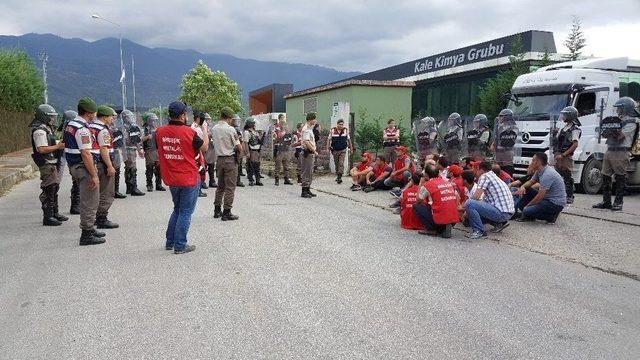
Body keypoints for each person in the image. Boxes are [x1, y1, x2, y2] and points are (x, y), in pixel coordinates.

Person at [156, 101, 205, 254]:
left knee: (177, 209)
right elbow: (204, 147)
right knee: (185, 212)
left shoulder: (159, 132)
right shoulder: (190, 133)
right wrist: (203, 128)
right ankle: (180, 245)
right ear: (183, 115)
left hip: (172, 178)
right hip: (189, 177)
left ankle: (170, 242)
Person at [63, 97, 105, 246]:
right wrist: (94, 175)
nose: (95, 115)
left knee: (89, 199)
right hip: (83, 167)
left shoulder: (70, 124)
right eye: (94, 112)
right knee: (90, 201)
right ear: (89, 113)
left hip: (74, 165)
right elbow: (86, 153)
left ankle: (91, 228)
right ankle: (86, 234)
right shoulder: (82, 129)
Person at [593, 97, 639, 211]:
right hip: (610, 149)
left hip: (621, 151)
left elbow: (620, 136)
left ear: (626, 108)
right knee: (605, 175)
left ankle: (618, 202)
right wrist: (604, 128)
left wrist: (611, 129)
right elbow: (604, 135)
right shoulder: (617, 119)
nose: (618, 109)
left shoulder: (631, 121)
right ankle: (606, 201)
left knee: (620, 177)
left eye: (620, 107)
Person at [30, 104, 67, 226]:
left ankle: (55, 213)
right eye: (50, 116)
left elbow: (50, 142)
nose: (53, 119)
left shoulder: (47, 129)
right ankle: (48, 216)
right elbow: (41, 149)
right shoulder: (39, 131)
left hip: (52, 162)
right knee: (49, 188)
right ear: (44, 116)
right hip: (46, 163)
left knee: (54, 187)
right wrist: (58, 146)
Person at [464, 161, 515, 239]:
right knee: (475, 207)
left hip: (501, 213)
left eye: (474, 169)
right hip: (508, 213)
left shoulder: (484, 176)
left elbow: (476, 197)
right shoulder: (492, 176)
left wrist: (465, 209)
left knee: (470, 203)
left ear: (479, 169)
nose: (472, 171)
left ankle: (478, 231)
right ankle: (498, 224)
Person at [88, 105, 120, 229]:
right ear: (105, 117)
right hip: (102, 163)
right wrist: (110, 166)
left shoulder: (90, 127)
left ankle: (94, 217)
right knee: (107, 192)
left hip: (94, 162)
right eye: (111, 117)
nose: (112, 119)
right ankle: (101, 218)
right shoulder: (103, 130)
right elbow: (104, 149)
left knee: (95, 192)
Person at [514, 152, 566, 223]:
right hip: (546, 198)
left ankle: (550, 217)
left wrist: (527, 206)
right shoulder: (539, 171)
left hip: (555, 203)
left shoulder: (547, 174)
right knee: (527, 190)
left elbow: (540, 196)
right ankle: (525, 213)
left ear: (538, 162)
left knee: (526, 210)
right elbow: (531, 182)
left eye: (533, 160)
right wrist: (522, 187)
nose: (531, 162)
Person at [412, 164, 460, 238]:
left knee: (416, 206)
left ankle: (432, 229)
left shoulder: (428, 185)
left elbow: (418, 200)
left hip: (440, 219)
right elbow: (457, 197)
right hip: (454, 219)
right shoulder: (447, 182)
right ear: (438, 173)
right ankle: (446, 225)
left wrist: (421, 183)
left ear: (426, 175)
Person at [212, 107, 243, 220]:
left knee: (220, 186)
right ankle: (227, 212)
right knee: (230, 187)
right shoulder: (231, 129)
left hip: (219, 159)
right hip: (230, 159)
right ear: (229, 118)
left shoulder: (214, 128)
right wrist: (241, 152)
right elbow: (238, 146)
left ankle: (217, 210)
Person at [550, 106, 581, 204]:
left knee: (567, 175)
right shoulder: (564, 128)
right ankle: (560, 194)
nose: (563, 117)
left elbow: (575, 144)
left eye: (565, 115)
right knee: (558, 175)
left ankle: (569, 195)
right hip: (558, 154)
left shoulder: (574, 129)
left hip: (565, 156)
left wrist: (563, 155)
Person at [59, 110, 81, 212]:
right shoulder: (71, 129)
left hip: (69, 157)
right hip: (72, 158)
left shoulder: (65, 129)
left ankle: (76, 205)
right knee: (76, 182)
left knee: (76, 181)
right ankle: (75, 205)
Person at [121, 109, 145, 196]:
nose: (131, 118)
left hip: (128, 149)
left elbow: (136, 139)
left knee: (128, 168)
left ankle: (129, 187)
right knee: (132, 168)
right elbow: (135, 140)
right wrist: (140, 149)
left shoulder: (125, 127)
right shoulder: (128, 127)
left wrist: (139, 149)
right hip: (129, 149)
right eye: (129, 117)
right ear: (125, 118)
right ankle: (133, 188)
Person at [142, 112, 165, 192]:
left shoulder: (157, 129)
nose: (153, 122)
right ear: (148, 121)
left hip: (157, 150)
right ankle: (149, 185)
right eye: (152, 120)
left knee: (159, 168)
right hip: (149, 150)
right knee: (150, 167)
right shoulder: (144, 129)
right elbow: (140, 139)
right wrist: (147, 137)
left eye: (155, 120)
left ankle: (158, 184)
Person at [491, 109, 519, 176]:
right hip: (499, 156)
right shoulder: (499, 128)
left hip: (507, 157)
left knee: (507, 175)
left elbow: (509, 142)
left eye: (502, 116)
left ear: (507, 117)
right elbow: (496, 141)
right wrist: (493, 145)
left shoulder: (514, 128)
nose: (500, 118)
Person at [327, 119, 354, 184]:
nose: (341, 125)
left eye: (342, 124)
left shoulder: (345, 130)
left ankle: (339, 177)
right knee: (337, 164)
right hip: (335, 150)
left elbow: (349, 140)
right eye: (340, 124)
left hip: (343, 149)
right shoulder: (333, 130)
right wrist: (327, 148)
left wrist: (351, 148)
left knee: (341, 163)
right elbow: (328, 140)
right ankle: (338, 175)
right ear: (337, 124)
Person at [191, 111, 209, 197]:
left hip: (196, 152)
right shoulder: (196, 128)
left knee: (200, 170)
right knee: (200, 170)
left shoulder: (194, 126)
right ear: (198, 119)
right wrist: (204, 129)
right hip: (198, 152)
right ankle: (198, 190)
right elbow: (204, 144)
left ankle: (198, 189)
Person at [273, 113, 294, 186]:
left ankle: (286, 179)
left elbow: (289, 137)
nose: (283, 119)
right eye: (281, 118)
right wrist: (280, 135)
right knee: (278, 165)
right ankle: (277, 179)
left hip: (286, 148)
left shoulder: (287, 128)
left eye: (284, 118)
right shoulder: (276, 128)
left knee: (286, 165)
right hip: (280, 149)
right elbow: (275, 139)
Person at [300, 112, 318, 198]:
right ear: (310, 119)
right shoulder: (306, 128)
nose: (315, 120)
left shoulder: (309, 128)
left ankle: (308, 189)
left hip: (309, 153)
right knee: (306, 172)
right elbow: (306, 141)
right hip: (307, 153)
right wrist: (314, 151)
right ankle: (304, 191)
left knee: (310, 172)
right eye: (314, 119)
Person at [243, 117, 264, 186]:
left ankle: (258, 180)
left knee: (257, 165)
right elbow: (246, 143)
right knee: (251, 165)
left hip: (257, 150)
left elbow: (259, 141)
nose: (255, 124)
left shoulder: (255, 132)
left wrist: (261, 134)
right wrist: (247, 152)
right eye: (254, 123)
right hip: (251, 150)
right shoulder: (247, 132)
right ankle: (251, 180)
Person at [110, 115, 127, 199]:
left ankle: (116, 190)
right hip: (108, 153)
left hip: (116, 151)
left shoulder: (117, 128)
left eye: (114, 118)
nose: (113, 120)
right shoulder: (104, 128)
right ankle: (108, 192)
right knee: (108, 173)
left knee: (117, 170)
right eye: (112, 117)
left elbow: (121, 141)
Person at [203, 113, 217, 188]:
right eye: (207, 119)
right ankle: (202, 181)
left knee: (211, 166)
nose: (208, 121)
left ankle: (212, 181)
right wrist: (209, 134)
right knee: (203, 167)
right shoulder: (201, 127)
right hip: (204, 148)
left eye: (208, 119)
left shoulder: (211, 127)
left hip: (211, 148)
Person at [232, 115, 246, 187]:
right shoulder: (236, 130)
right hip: (237, 149)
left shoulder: (231, 128)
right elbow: (240, 141)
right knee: (237, 165)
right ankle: (237, 181)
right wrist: (242, 150)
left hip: (233, 150)